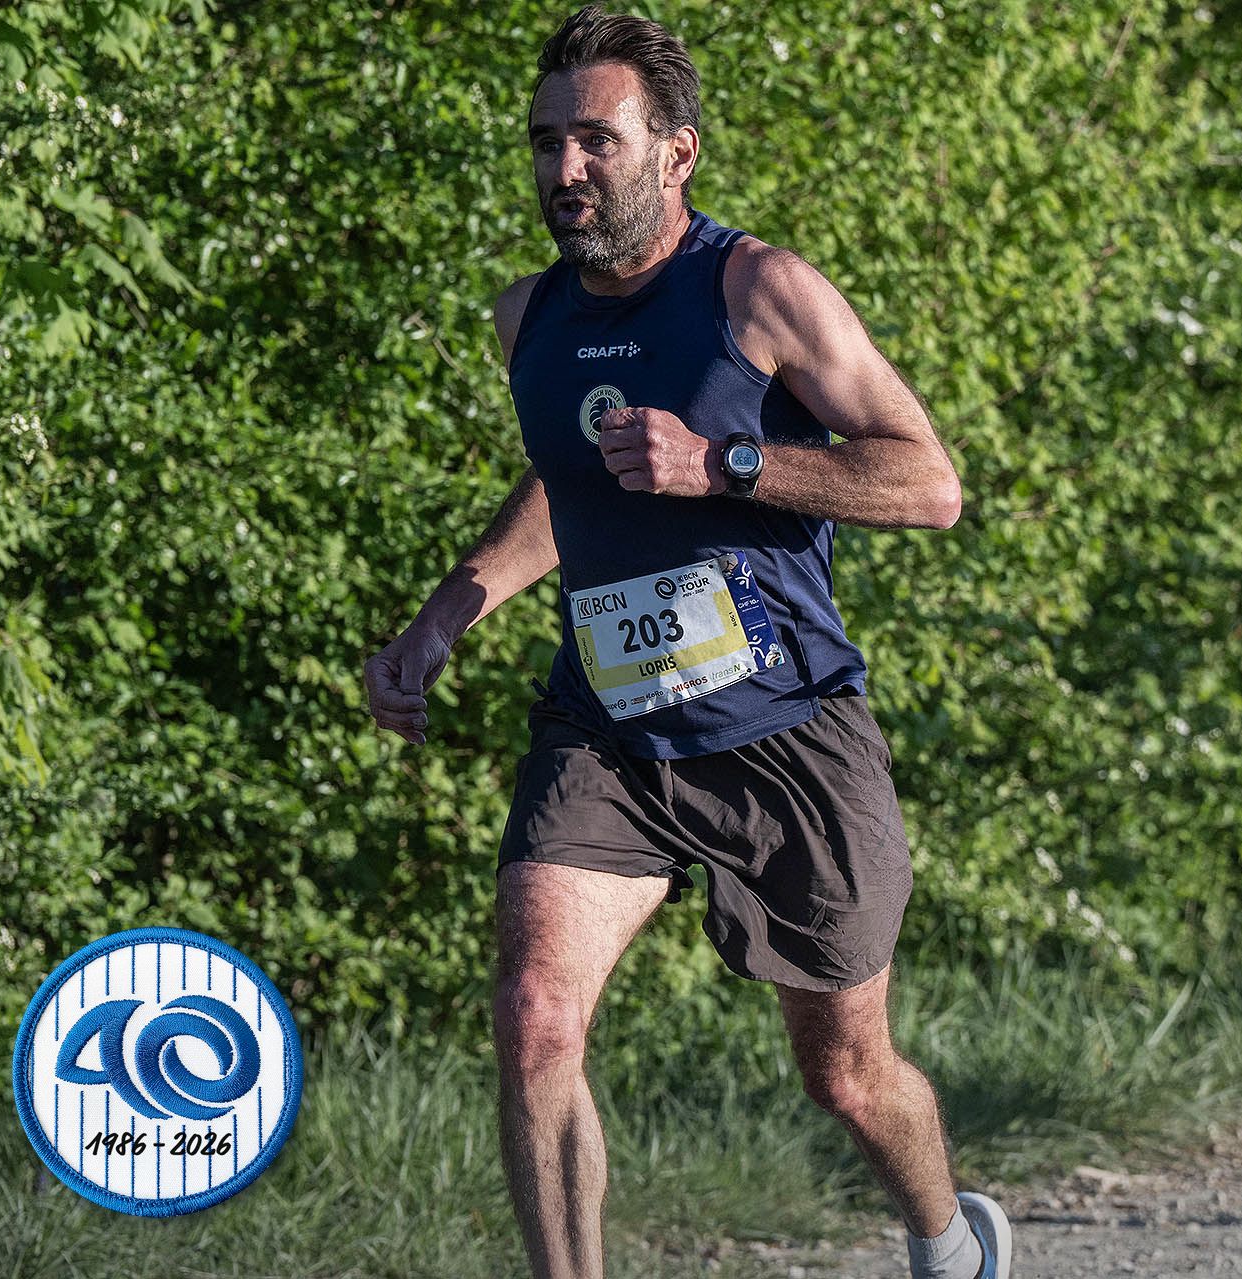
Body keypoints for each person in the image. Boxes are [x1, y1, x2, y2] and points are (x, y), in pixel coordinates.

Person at [363, 7, 1011, 1278]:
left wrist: (727, 463)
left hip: (785, 732)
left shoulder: (759, 290)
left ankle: (950, 1241)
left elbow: (928, 483)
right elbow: (567, 485)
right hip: (607, 727)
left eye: (594, 140)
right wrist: (444, 617)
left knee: (846, 1073)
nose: (564, 169)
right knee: (536, 1016)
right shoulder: (529, 319)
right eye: (545, 142)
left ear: (677, 151)